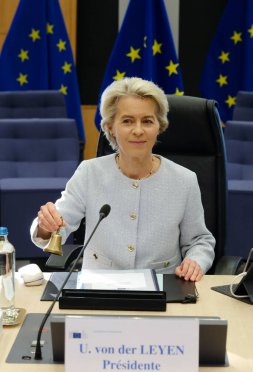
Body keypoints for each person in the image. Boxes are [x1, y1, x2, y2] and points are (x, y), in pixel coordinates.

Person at [31, 77, 215, 281]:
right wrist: (45, 227)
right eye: (127, 121)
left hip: (163, 288)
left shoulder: (185, 180)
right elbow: (57, 228)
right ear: (110, 127)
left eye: (147, 121)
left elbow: (200, 240)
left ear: (159, 126)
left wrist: (195, 261)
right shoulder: (89, 173)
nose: (138, 130)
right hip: (99, 287)